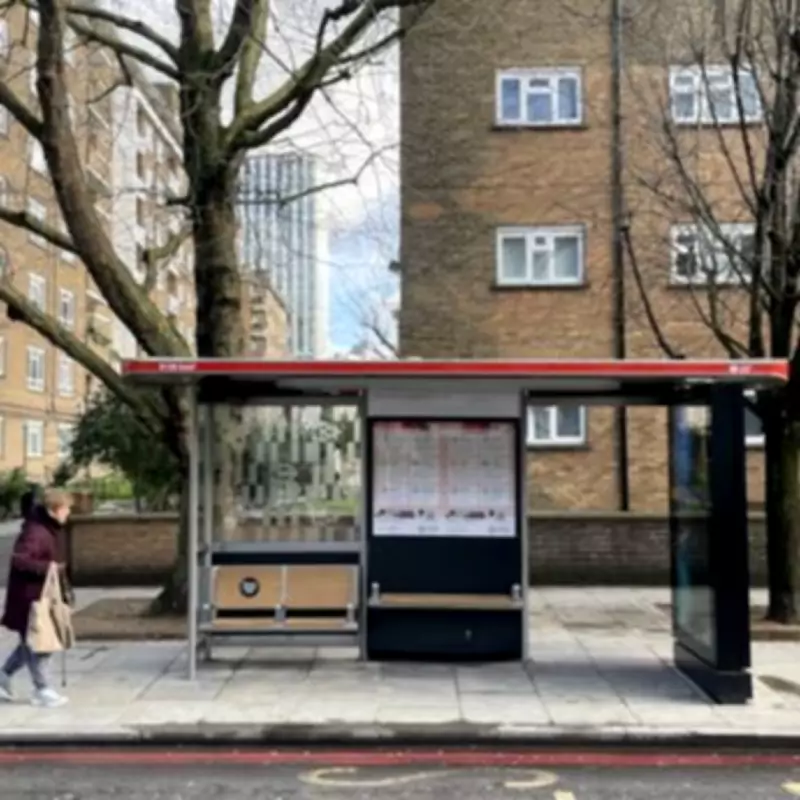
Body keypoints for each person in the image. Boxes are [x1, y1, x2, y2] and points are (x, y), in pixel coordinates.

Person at [0, 487, 73, 708]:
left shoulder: (46, 529)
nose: (68, 513)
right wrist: (48, 567)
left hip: (37, 596)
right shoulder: (36, 532)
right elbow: (20, 560)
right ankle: (42, 689)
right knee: (40, 644)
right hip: (30, 599)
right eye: (67, 509)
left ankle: (3, 676)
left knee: (30, 643)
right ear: (56, 509)